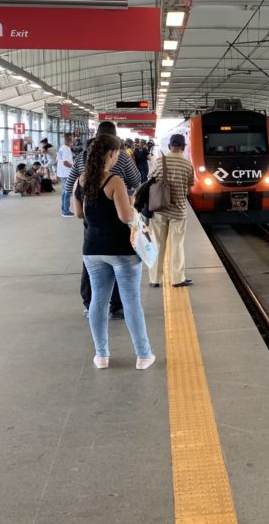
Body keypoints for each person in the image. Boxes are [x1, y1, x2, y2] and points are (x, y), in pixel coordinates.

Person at [73, 134, 155, 370]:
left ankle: (101, 356)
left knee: (98, 300)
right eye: (117, 152)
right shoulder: (114, 181)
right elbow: (126, 217)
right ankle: (143, 355)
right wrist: (130, 201)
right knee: (131, 301)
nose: (118, 155)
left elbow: (78, 213)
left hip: (92, 250)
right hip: (120, 250)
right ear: (110, 154)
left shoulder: (81, 179)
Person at [66, 121, 138, 319]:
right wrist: (127, 197)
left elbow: (71, 184)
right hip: (116, 216)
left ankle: (89, 303)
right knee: (118, 263)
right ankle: (117, 305)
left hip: (91, 220)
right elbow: (135, 179)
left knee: (92, 263)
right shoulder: (120, 155)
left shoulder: (83, 155)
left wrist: (81, 196)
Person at [149, 133, 196, 288]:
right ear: (183, 147)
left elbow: (150, 180)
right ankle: (177, 279)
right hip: (178, 211)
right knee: (177, 245)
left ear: (169, 146)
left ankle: (155, 279)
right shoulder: (188, 165)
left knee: (157, 244)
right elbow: (190, 189)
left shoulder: (159, 162)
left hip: (159, 209)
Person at [57, 133, 75, 217]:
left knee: (64, 192)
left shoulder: (62, 147)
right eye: (72, 139)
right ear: (69, 140)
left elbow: (60, 160)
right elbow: (65, 163)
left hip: (61, 173)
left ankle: (63, 208)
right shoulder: (67, 149)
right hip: (66, 173)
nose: (73, 141)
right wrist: (74, 166)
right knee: (67, 192)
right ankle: (66, 211)